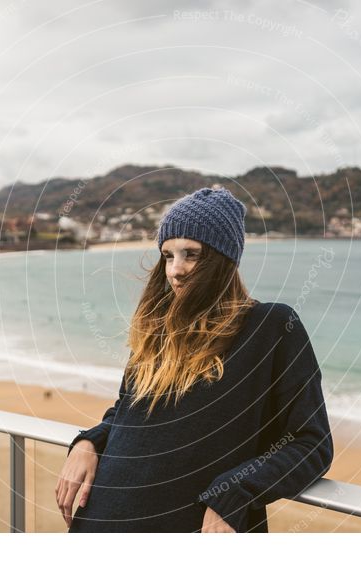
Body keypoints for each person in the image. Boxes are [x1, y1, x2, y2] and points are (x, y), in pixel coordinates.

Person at [55, 186, 334, 533]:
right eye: (168, 255)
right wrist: (88, 442)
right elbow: (127, 414)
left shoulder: (272, 327)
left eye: (192, 254)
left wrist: (233, 493)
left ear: (223, 258)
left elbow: (312, 444)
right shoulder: (156, 331)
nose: (176, 270)